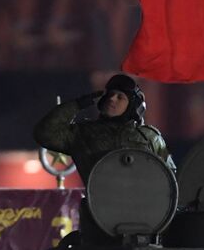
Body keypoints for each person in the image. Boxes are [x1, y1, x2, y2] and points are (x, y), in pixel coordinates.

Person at [33, 73, 174, 184]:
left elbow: (169, 177)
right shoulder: (83, 133)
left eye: (120, 97)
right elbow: (45, 133)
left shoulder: (149, 137)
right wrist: (77, 105)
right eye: (110, 94)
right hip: (99, 211)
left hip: (142, 211)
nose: (112, 99)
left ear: (133, 107)